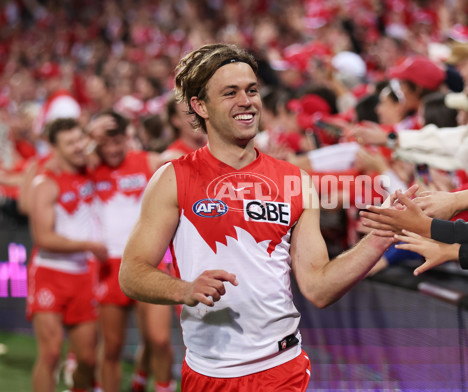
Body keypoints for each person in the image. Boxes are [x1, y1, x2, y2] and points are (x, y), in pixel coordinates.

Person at [119, 43, 393, 391]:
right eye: (230, 93)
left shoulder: (295, 180)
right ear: (199, 105)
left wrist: (381, 236)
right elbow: (131, 273)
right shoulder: (173, 178)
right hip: (207, 373)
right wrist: (184, 289)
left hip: (282, 370)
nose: (246, 101)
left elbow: (319, 287)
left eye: (251, 90)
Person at [87, 111, 174, 392]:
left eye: (117, 142)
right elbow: (59, 159)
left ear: (128, 137)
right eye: (105, 144)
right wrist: (91, 135)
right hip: (108, 265)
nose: (112, 150)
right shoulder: (89, 166)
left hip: (150, 260)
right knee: (111, 347)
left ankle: (159, 385)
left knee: (159, 340)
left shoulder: (147, 162)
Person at [26, 118, 107, 392]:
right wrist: (87, 245)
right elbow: (43, 238)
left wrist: (94, 130)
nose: (77, 148)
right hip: (49, 273)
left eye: (79, 140)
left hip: (83, 276)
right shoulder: (46, 183)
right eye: (69, 143)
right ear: (55, 148)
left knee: (86, 358)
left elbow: (110, 146)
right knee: (49, 353)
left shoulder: (90, 169)